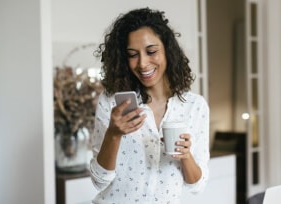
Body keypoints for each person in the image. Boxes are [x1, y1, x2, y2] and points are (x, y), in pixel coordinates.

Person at [89, 7, 210, 204]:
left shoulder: (195, 106)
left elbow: (197, 186)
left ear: (168, 51)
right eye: (132, 54)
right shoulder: (112, 102)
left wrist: (186, 155)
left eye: (151, 51)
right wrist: (113, 133)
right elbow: (99, 181)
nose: (143, 63)